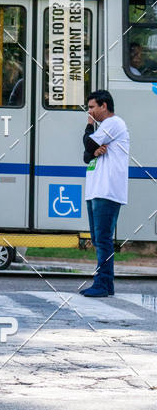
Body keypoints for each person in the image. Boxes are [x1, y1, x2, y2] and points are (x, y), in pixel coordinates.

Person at [80, 89, 129, 298]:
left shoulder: (113, 123)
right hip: (96, 190)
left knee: (103, 238)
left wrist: (89, 126)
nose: (89, 111)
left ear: (104, 106)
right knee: (98, 238)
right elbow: (86, 155)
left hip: (107, 191)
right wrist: (93, 150)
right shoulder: (105, 129)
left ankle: (102, 283)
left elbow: (88, 143)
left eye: (92, 107)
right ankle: (106, 284)